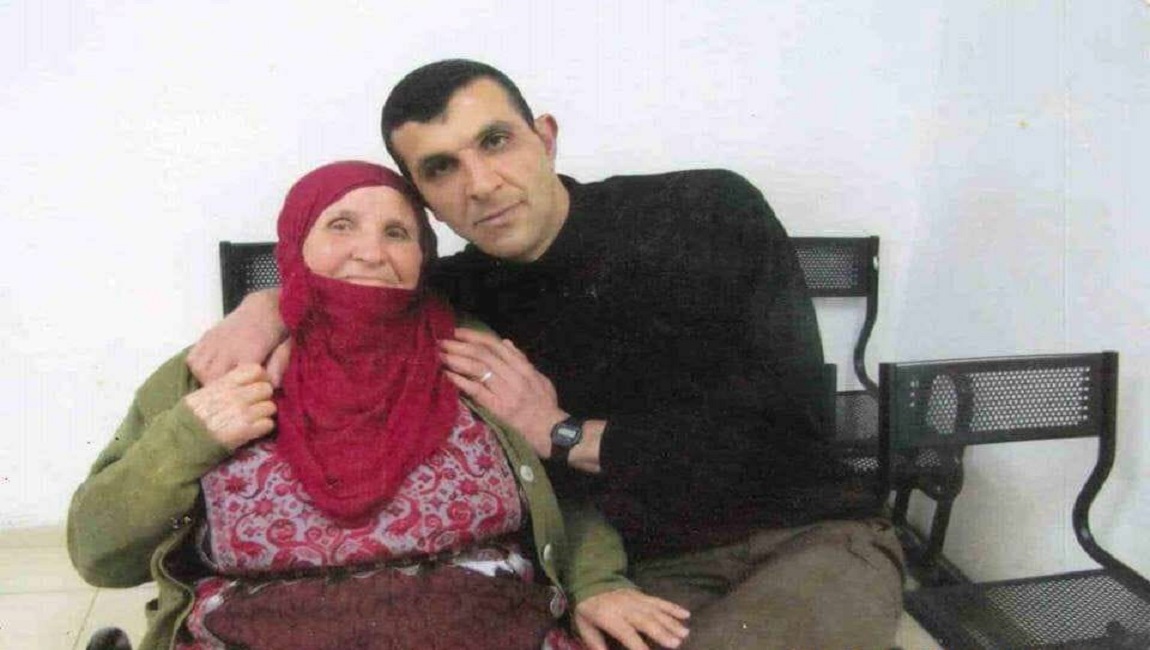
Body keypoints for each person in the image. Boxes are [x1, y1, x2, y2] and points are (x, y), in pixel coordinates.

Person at [190, 60, 905, 649]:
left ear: (546, 138)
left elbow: (792, 433)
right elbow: (353, 292)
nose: (480, 184)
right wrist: (268, 307)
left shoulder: (706, 211)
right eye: (441, 168)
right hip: (635, 574)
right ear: (426, 202)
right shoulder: (457, 299)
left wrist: (565, 433)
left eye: (495, 141)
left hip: (805, 536)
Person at [68, 161, 689, 650]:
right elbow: (99, 557)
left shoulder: (476, 357)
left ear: (423, 259)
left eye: (397, 233)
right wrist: (186, 439)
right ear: (296, 245)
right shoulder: (212, 371)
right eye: (341, 226)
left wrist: (597, 584)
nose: (371, 253)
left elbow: (561, 498)